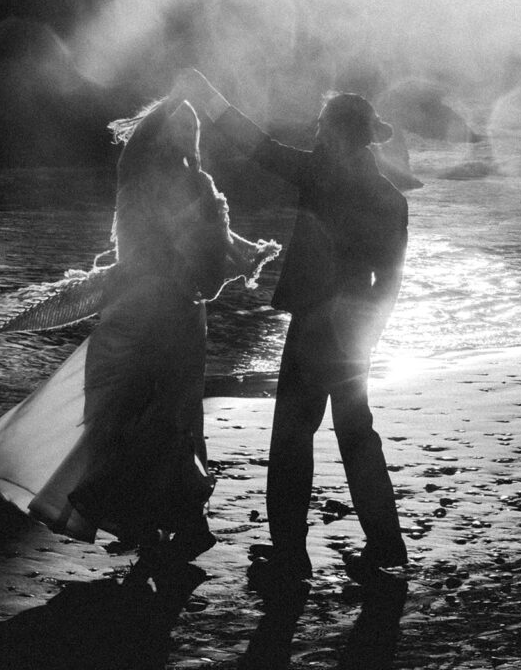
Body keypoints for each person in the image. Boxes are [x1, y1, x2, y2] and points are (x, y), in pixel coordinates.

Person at [0, 97, 280, 562]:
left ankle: (151, 525)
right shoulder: (194, 186)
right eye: (186, 127)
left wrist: (236, 252)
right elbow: (210, 265)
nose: (189, 136)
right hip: (169, 316)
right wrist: (233, 257)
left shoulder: (137, 180)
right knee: (164, 421)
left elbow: (199, 252)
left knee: (123, 419)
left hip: (140, 313)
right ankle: (170, 524)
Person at [175, 69, 409, 589]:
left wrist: (206, 95)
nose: (317, 134)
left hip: (314, 327)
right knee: (356, 437)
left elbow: (259, 147)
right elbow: (388, 283)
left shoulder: (322, 176)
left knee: (291, 440)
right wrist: (363, 333)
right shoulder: (391, 196)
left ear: (338, 133)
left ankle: (291, 555)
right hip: (354, 336)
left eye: (324, 127)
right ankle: (386, 547)